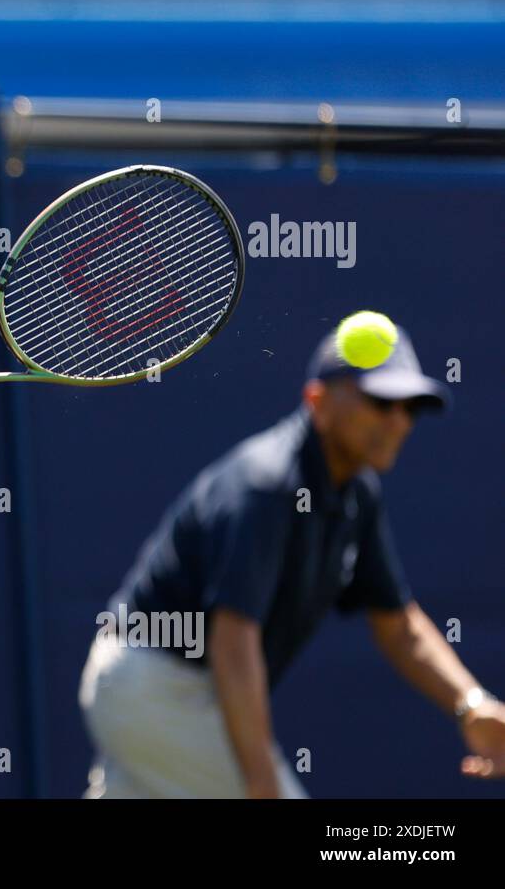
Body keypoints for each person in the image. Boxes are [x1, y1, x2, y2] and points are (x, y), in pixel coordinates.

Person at [78, 318, 505, 797]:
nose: (398, 421)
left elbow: (399, 626)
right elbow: (233, 646)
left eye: (411, 408)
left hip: (172, 692)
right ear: (318, 404)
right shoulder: (267, 487)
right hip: (156, 683)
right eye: (381, 402)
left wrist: (471, 703)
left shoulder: (357, 493)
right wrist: (261, 783)